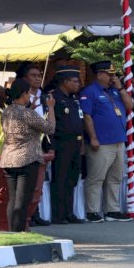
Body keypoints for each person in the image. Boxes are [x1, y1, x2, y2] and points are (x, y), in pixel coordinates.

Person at [79, 60, 134, 223]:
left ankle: (112, 209)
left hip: (118, 141)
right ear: (99, 75)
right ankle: (92, 211)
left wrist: (120, 88)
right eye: (110, 74)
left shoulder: (115, 91)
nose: (113, 77)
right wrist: (93, 138)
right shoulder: (90, 92)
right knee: (97, 177)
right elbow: (87, 116)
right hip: (101, 142)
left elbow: (130, 105)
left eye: (114, 74)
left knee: (115, 177)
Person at [0, 79, 56, 232]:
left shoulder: (7, 112)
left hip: (8, 158)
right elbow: (50, 128)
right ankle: (18, 232)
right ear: (24, 94)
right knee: (22, 201)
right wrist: (50, 108)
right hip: (27, 158)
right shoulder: (27, 113)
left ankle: (12, 231)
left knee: (13, 200)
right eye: (28, 93)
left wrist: (30, 108)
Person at [50, 67, 85, 224]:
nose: (78, 84)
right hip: (62, 144)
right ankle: (59, 214)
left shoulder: (73, 99)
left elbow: (79, 121)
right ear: (65, 82)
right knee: (60, 179)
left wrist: (82, 141)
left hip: (76, 143)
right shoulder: (54, 98)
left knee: (71, 179)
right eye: (75, 81)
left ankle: (69, 212)